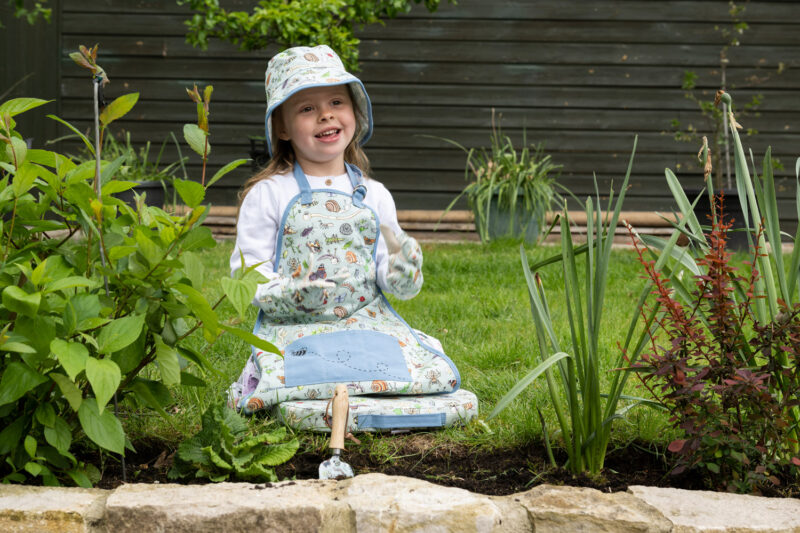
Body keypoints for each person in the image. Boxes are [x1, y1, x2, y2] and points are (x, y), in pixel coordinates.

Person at [228, 45, 460, 413]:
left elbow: (386, 273)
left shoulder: (375, 195)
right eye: (307, 108)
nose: (325, 115)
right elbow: (245, 273)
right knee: (297, 376)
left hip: (366, 325)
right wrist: (290, 293)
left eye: (337, 101)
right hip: (294, 329)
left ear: (354, 112)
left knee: (425, 372)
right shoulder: (268, 194)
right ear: (282, 127)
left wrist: (402, 271)